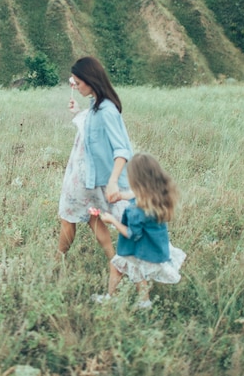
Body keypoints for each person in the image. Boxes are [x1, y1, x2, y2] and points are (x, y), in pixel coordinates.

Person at [58, 56, 134, 260]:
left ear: (91, 80)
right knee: (93, 217)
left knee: (67, 216)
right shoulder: (96, 105)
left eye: (78, 82)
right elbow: (92, 130)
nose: (75, 85)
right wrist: (78, 112)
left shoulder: (107, 110)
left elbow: (122, 151)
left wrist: (112, 183)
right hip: (84, 174)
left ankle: (56, 260)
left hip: (85, 177)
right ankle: (115, 261)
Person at [93, 152, 186, 309]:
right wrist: (120, 196)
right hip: (151, 246)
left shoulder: (136, 210)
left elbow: (131, 233)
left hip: (139, 248)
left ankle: (111, 298)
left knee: (117, 265)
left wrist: (112, 220)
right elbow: (134, 194)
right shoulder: (155, 195)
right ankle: (144, 302)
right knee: (135, 269)